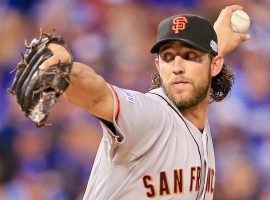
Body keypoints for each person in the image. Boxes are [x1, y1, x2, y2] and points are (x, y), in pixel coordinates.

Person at [37, 5, 250, 200]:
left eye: (190, 55)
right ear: (158, 65)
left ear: (214, 65)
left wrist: (216, 43)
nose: (177, 67)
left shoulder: (196, 119)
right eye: (168, 57)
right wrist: (67, 70)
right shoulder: (151, 114)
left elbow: (201, 78)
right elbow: (98, 95)